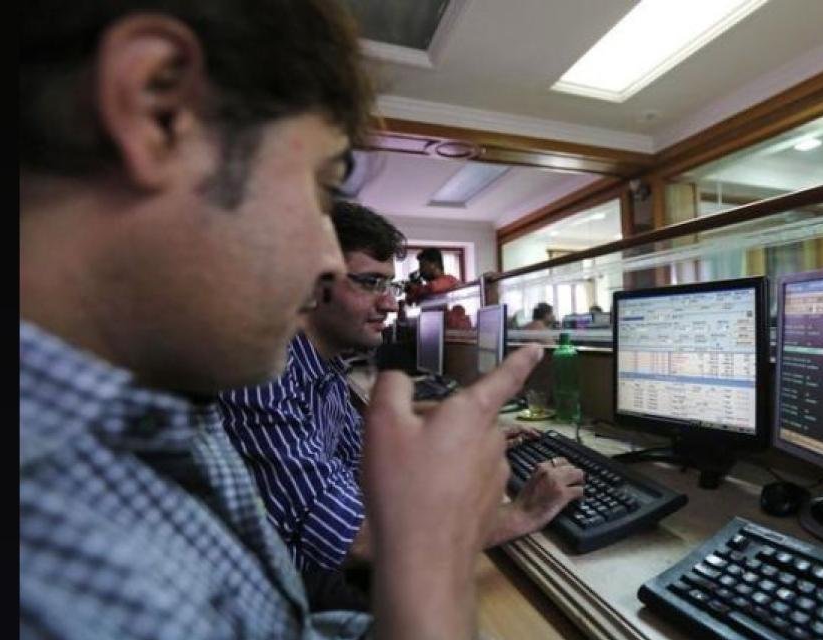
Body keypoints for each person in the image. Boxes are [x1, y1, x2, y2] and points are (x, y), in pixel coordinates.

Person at [20, 1, 538, 640]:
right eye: (321, 189)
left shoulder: (173, 405)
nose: (325, 264)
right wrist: (433, 574)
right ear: (158, 109)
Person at [219, 202, 584, 606]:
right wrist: (520, 514)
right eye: (370, 283)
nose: (391, 304)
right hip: (291, 598)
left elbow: (360, 464)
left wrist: (452, 442)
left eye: (389, 286)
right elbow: (357, 540)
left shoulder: (325, 368)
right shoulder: (262, 377)